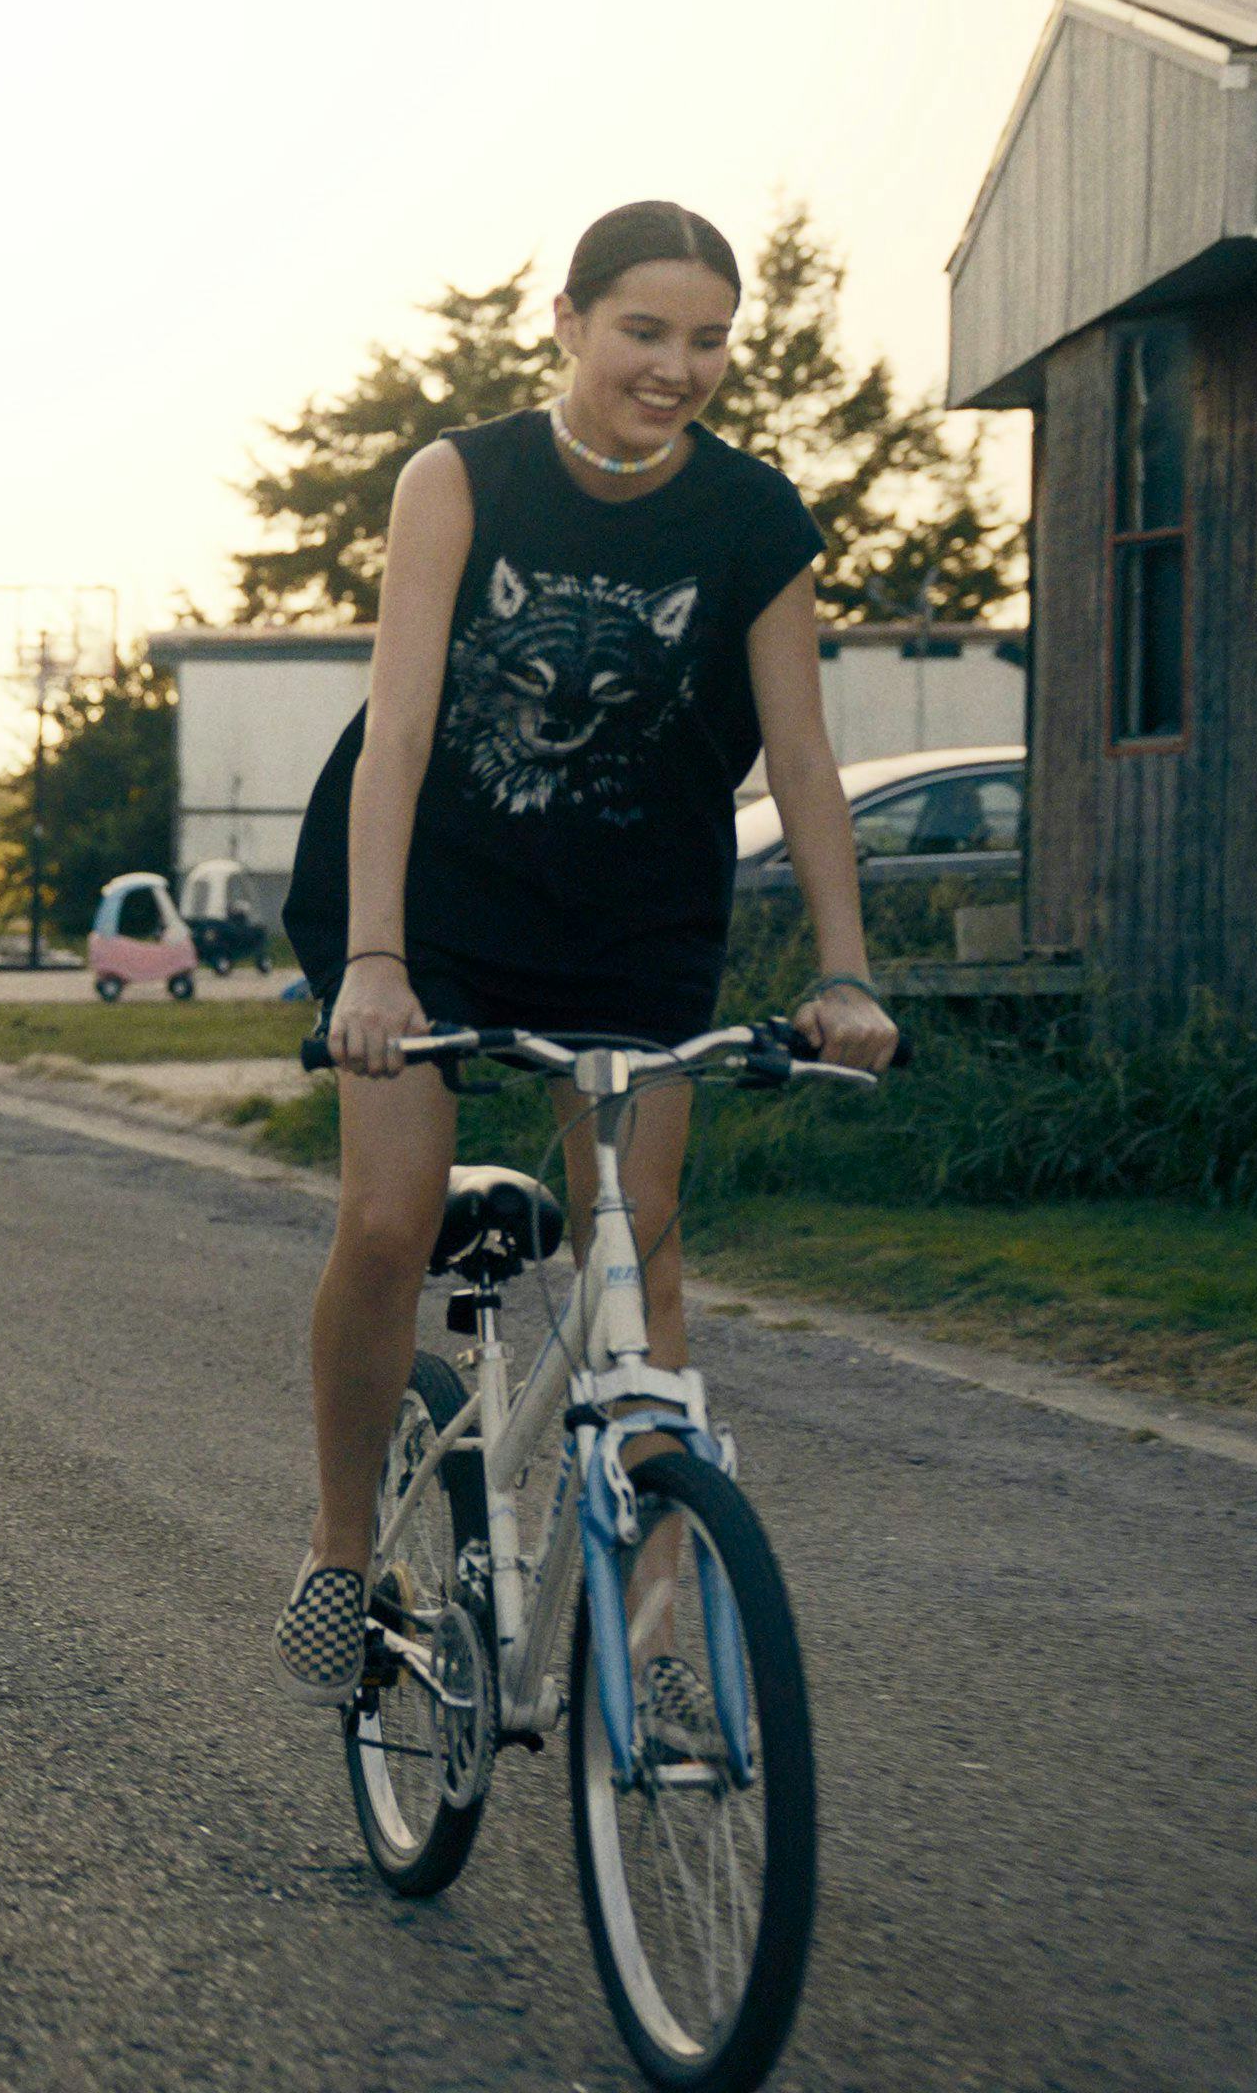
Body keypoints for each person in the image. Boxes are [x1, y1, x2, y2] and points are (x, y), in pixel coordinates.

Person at [269, 203, 899, 1707]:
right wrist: (372, 962)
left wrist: (847, 972)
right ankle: (344, 1551)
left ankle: (662, 1591)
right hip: (431, 904)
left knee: (643, 1232)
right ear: (566, 322)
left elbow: (804, 759)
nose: (677, 367)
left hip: (633, 916)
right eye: (645, 331)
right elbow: (401, 727)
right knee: (385, 1222)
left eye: (709, 340)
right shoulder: (462, 477)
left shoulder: (754, 521)